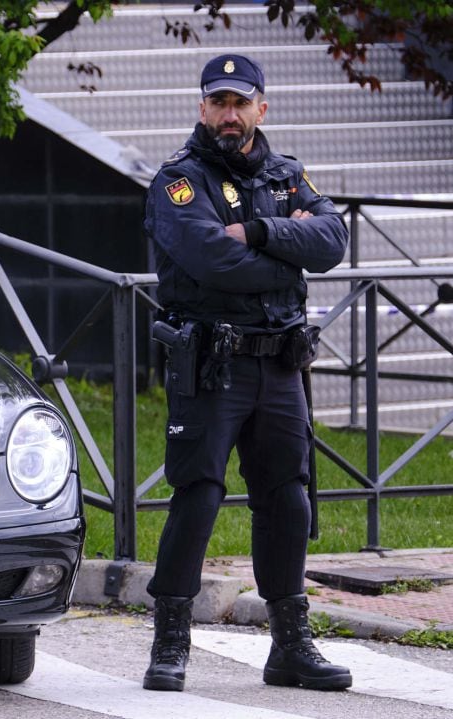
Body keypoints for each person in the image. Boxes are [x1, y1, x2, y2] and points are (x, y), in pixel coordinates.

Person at [141, 54, 352, 692]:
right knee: (199, 495)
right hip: (212, 362)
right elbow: (212, 262)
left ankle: (290, 646)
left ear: (263, 107)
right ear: (202, 109)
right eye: (218, 103)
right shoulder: (180, 180)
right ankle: (169, 645)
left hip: (280, 365)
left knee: (288, 496)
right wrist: (290, 253)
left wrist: (258, 231)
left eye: (241, 103)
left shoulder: (287, 174)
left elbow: (335, 240)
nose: (229, 116)